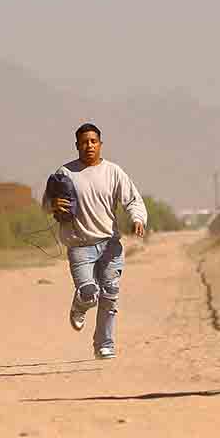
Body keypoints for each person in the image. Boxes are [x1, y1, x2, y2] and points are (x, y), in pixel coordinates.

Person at [45, 124, 147, 360]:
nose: (89, 146)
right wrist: (52, 205)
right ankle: (80, 305)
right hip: (80, 245)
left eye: (93, 141)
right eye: (84, 142)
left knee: (110, 294)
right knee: (90, 293)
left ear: (100, 144)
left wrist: (137, 218)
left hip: (110, 244)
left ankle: (104, 344)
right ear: (77, 145)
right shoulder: (65, 173)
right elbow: (48, 201)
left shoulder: (113, 172)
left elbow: (132, 200)